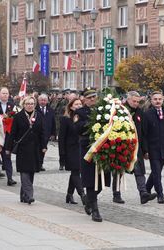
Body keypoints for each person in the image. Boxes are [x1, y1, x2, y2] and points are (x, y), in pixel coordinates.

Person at [74, 88, 111, 222]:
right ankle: (95, 210)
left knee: (101, 182)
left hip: (103, 150)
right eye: (89, 97)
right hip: (87, 150)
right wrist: (94, 123)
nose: (92, 99)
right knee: (90, 181)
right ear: (84, 99)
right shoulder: (79, 112)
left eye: (94, 97)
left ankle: (88, 200)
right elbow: (77, 128)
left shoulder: (104, 110)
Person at [118, 91, 157, 204]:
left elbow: (144, 133)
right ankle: (116, 193)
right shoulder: (121, 111)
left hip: (136, 147)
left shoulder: (140, 113)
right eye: (134, 101)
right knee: (119, 171)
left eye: (138, 101)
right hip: (122, 146)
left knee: (139, 170)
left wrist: (145, 150)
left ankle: (143, 193)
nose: (136, 103)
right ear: (128, 100)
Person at [6, 96, 46, 204]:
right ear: (24, 105)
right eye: (27, 104)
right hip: (23, 149)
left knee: (31, 172)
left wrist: (44, 146)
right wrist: (8, 148)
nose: (30, 106)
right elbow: (13, 133)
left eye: (32, 104)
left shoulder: (39, 116)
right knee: (24, 171)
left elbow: (42, 132)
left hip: (35, 149)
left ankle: (23, 195)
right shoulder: (18, 117)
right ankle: (29, 195)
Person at [143, 91, 164, 204]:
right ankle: (160, 194)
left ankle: (146, 188)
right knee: (157, 172)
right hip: (152, 148)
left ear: (162, 100)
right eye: (155, 99)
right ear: (151, 101)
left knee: (157, 171)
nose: (157, 101)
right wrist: (145, 150)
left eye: (159, 99)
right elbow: (144, 134)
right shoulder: (147, 114)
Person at [58, 98, 86, 205]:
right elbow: (62, 137)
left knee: (76, 172)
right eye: (76, 104)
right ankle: (82, 194)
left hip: (81, 148)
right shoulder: (66, 119)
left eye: (80, 104)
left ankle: (69, 195)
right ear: (71, 106)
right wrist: (62, 154)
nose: (78, 106)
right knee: (75, 171)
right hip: (70, 149)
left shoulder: (83, 118)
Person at [0, 87, 17, 186]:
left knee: (7, 157)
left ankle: (10, 178)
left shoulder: (12, 105)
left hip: (8, 136)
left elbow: (14, 118)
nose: (5, 95)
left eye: (7, 93)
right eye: (3, 93)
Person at [36, 94, 56, 171]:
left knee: (43, 149)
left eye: (45, 100)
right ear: (38, 101)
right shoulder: (35, 109)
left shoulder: (50, 110)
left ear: (47, 101)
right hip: (37, 133)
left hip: (46, 133)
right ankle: (37, 163)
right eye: (41, 100)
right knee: (37, 148)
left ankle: (40, 164)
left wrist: (53, 133)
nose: (43, 102)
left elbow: (53, 122)